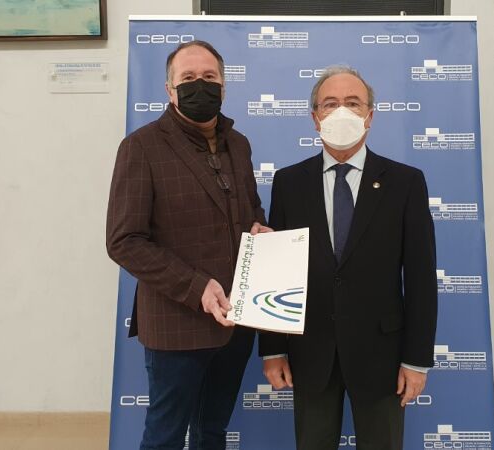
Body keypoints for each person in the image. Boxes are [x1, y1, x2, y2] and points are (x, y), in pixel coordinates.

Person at [259, 65, 438, 450]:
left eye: (353, 103)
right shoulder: (289, 183)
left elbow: (421, 279)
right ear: (315, 117)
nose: (342, 111)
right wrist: (273, 349)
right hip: (310, 353)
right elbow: (276, 272)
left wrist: (416, 360)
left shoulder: (405, 182)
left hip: (383, 356)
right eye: (330, 103)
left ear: (370, 116)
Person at [106, 40, 271, 450]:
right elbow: (124, 241)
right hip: (176, 326)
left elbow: (251, 209)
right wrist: (197, 287)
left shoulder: (239, 144)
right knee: (164, 437)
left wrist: (259, 229)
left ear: (224, 86)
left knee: (211, 432)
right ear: (170, 89)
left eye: (209, 77)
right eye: (189, 78)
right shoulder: (141, 147)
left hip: (236, 323)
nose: (201, 85)